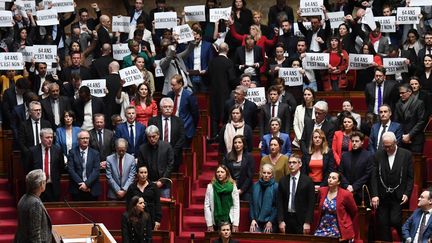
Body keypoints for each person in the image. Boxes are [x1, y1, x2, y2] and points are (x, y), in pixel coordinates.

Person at [370, 131, 414, 241]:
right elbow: (374, 177)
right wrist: (374, 195)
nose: (387, 149)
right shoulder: (378, 155)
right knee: (383, 224)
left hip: (398, 196)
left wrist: (407, 193)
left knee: (395, 221)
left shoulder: (406, 154)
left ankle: (406, 239)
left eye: (389, 146)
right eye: (385, 146)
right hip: (382, 196)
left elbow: (410, 177)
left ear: (395, 142)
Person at [314, 172, 359, 242]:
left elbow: (354, 211)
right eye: (329, 177)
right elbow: (319, 207)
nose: (330, 180)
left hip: (339, 228)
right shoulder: (322, 191)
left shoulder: (346, 194)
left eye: (333, 178)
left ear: (339, 182)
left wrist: (346, 223)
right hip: (323, 226)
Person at [277, 153, 315, 234]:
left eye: (294, 162)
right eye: (290, 163)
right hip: (286, 219)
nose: (291, 165)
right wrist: (280, 221)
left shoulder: (308, 181)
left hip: (301, 220)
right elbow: (279, 202)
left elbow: (311, 204)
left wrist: (307, 222)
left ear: (300, 164)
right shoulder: (283, 181)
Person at [207, 43, 237, 139]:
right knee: (225, 113)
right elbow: (232, 78)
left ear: (218, 50)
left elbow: (208, 76)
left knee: (214, 113)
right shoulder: (229, 62)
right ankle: (224, 134)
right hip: (226, 91)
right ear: (227, 50)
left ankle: (215, 134)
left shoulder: (212, 62)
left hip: (213, 91)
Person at [148, 97, 186, 172]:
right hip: (156, 154)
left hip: (175, 156)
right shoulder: (153, 121)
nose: (168, 109)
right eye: (165, 107)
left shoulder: (179, 121)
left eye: (170, 107)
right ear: (161, 108)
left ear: (173, 108)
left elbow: (182, 138)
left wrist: (172, 152)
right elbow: (150, 137)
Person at [14, 169, 52, 243]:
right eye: (44, 181)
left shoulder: (23, 197)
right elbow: (35, 235)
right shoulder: (35, 204)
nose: (46, 183)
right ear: (41, 184)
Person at [137, 125, 174, 199]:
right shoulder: (142, 149)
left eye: (153, 136)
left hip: (164, 184)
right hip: (147, 184)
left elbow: (170, 165)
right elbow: (141, 166)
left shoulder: (167, 146)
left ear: (158, 135)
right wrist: (148, 182)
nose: (151, 139)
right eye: (149, 137)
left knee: (164, 207)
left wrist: (162, 181)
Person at [29, 128, 64, 202]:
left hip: (53, 186)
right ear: (41, 138)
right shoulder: (33, 151)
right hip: (38, 187)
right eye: (47, 137)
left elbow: (61, 167)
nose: (50, 139)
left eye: (51, 137)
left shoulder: (57, 150)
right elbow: (28, 168)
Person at [339, 131, 373, 204]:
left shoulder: (368, 155)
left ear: (362, 142)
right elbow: (340, 172)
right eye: (352, 141)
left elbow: (368, 174)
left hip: (361, 193)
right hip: (346, 191)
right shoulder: (345, 155)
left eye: (357, 141)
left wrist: (354, 187)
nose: (354, 143)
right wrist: (347, 186)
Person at [204, 165, 240, 232]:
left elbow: (236, 205)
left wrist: (235, 223)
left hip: (229, 219)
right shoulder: (210, 186)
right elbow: (207, 206)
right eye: (218, 172)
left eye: (222, 172)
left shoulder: (232, 186)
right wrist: (209, 224)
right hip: (215, 220)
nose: (219, 174)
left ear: (226, 173)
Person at [67, 130, 101, 201]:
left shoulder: (95, 153)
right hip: (77, 188)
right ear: (78, 140)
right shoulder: (72, 152)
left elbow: (96, 171)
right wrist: (82, 184)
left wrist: (86, 184)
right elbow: (71, 170)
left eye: (87, 138)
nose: (85, 140)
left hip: (92, 188)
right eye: (83, 138)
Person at [126, 164, 162, 231]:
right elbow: (129, 205)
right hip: (136, 218)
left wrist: (158, 220)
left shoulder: (153, 187)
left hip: (151, 217)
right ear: (137, 174)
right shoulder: (132, 187)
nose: (143, 175)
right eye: (141, 172)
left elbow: (158, 204)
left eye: (145, 172)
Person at [167, 74, 199, 146]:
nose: (171, 87)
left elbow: (195, 113)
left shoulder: (189, 95)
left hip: (186, 128)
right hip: (172, 128)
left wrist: (192, 125)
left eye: (173, 85)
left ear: (180, 84)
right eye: (171, 85)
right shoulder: (169, 95)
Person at [394, 83, 426, 153]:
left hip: (416, 139)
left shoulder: (419, 103)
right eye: (400, 93)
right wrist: (402, 136)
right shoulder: (398, 104)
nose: (400, 95)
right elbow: (396, 122)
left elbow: (421, 121)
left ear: (410, 92)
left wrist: (409, 135)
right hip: (402, 139)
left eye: (403, 93)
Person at [222, 135, 255, 201]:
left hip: (245, 188)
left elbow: (249, 176)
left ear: (243, 144)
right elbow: (225, 173)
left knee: (247, 199)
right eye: (235, 142)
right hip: (230, 186)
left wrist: (241, 190)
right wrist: (231, 187)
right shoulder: (228, 157)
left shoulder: (249, 157)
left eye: (239, 142)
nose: (237, 144)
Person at [249, 164, 278, 233]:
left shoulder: (276, 187)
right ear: (261, 173)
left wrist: (270, 221)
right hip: (256, 221)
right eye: (264, 173)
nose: (266, 175)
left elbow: (277, 207)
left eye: (268, 173)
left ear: (272, 175)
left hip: (270, 222)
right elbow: (252, 204)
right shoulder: (255, 185)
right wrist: (252, 219)